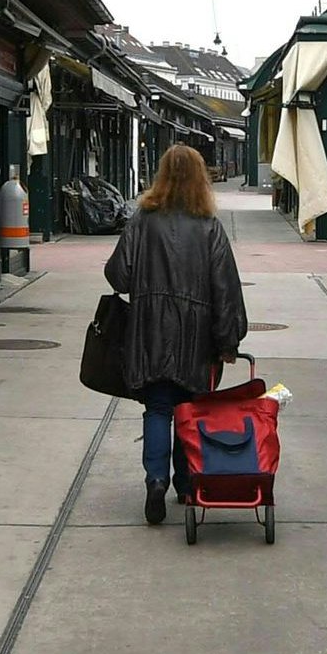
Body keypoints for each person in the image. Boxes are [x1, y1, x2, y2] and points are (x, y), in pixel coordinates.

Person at [102, 143, 248, 526]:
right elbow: (225, 290)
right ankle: (185, 484)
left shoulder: (142, 221)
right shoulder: (210, 228)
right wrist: (228, 341)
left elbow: (118, 275)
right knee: (190, 410)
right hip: (195, 339)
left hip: (149, 333)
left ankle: (155, 479)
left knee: (158, 409)